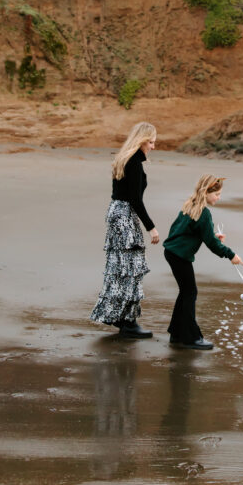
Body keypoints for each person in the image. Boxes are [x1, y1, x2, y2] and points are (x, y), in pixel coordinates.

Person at [90, 121, 159, 338]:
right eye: (151, 141)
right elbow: (135, 200)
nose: (153, 146)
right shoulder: (134, 163)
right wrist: (152, 228)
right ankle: (128, 321)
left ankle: (119, 317)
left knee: (119, 267)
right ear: (141, 140)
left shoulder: (123, 159)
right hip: (125, 215)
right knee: (131, 268)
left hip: (116, 212)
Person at [163, 174, 243, 350]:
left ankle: (176, 334)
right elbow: (212, 245)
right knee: (190, 292)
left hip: (172, 252)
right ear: (206, 192)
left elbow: (192, 232)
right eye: (217, 194)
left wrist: (212, 237)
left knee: (185, 292)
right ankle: (190, 338)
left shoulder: (191, 205)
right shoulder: (203, 212)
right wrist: (231, 255)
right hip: (179, 255)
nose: (219, 198)